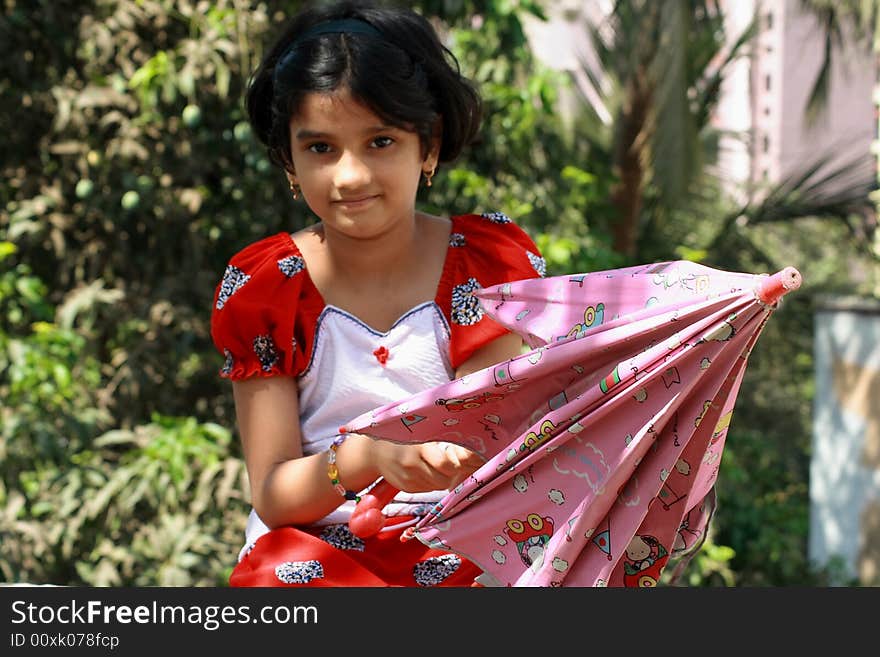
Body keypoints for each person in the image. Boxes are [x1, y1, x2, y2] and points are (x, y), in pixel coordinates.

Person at [210, 0, 546, 587]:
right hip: (310, 563)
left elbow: (498, 439)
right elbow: (273, 493)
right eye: (320, 148)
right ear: (289, 158)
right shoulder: (265, 287)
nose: (351, 176)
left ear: (430, 144)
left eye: (381, 141)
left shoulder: (487, 265)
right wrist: (365, 458)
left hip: (463, 544)